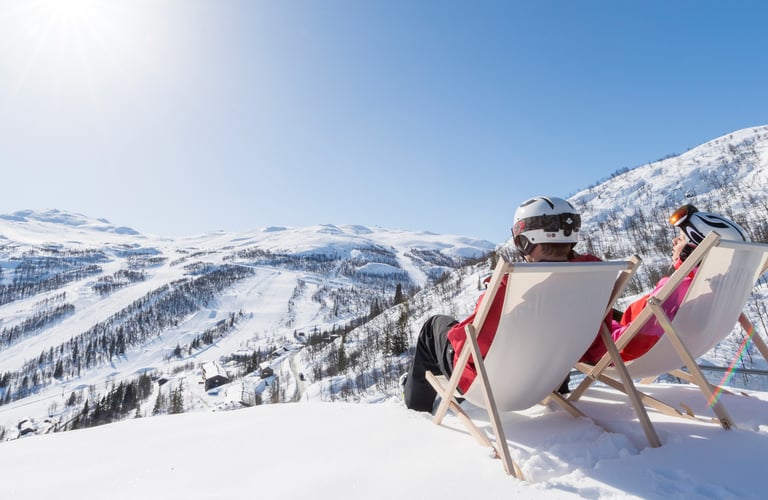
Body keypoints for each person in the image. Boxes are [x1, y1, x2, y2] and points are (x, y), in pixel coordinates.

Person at [402, 195, 604, 412]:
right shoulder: (593, 278)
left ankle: (417, 406)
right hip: (548, 379)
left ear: (523, 241)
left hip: (492, 390)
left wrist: (462, 327)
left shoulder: (512, 287)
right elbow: (594, 340)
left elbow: (473, 350)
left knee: (433, 328)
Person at [580, 204, 750, 365]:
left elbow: (632, 343)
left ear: (691, 251)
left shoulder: (678, 291)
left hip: (614, 350)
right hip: (644, 338)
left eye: (682, 238)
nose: (674, 241)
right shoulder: (712, 290)